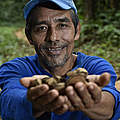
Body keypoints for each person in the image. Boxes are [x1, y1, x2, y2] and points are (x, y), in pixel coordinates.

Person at [0, 0, 120, 120]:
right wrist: (36, 102)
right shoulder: (15, 69)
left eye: (62, 26)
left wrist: (92, 101)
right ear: (29, 36)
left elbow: (109, 103)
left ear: (77, 31)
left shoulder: (96, 66)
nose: (53, 38)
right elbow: (9, 101)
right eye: (42, 28)